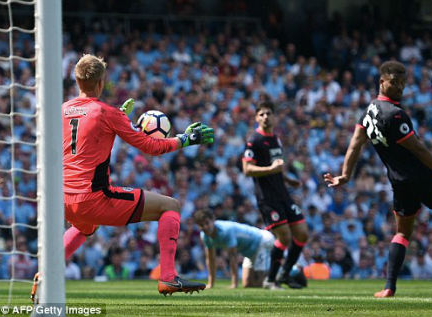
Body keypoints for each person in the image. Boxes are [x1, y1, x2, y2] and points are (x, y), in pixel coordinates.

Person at [51, 54, 213, 296]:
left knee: (86, 226)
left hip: (64, 199)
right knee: (171, 206)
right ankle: (168, 277)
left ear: (76, 81)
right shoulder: (107, 113)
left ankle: (44, 275)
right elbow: (152, 147)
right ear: (101, 82)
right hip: (94, 198)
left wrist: (118, 117)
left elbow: (85, 132)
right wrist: (186, 139)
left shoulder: (62, 110)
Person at [323, 61, 432, 298]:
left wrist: (346, 175)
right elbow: (418, 149)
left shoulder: (368, 114)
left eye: (402, 83)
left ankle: (389, 286)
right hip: (424, 178)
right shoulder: (395, 115)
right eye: (394, 83)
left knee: (403, 233)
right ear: (381, 82)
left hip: (399, 182)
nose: (399, 88)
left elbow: (355, 144)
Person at [242, 101, 309, 289]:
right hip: (267, 198)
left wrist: (287, 179)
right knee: (285, 237)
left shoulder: (276, 139)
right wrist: (270, 168)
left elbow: (277, 166)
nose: (265, 117)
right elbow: (247, 169)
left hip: (283, 194)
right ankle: (271, 280)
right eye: (261, 114)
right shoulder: (254, 140)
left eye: (268, 113)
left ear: (274, 116)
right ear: (256, 118)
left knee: (302, 234)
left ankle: (285, 273)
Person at [193, 209, 275, 288]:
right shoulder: (204, 236)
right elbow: (210, 259)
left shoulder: (226, 230)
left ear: (213, 220)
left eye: (207, 223)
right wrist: (210, 283)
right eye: (201, 225)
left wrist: (234, 283)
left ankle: (276, 272)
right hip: (248, 251)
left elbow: (233, 257)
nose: (205, 227)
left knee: (262, 282)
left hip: (262, 240)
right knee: (247, 284)